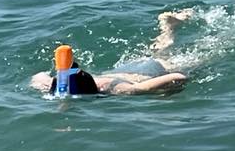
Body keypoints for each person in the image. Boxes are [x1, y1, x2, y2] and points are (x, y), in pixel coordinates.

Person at [30, 9, 196, 97]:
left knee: (165, 59)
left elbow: (177, 76)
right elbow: (38, 77)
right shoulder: (52, 84)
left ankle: (169, 28)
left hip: (151, 69)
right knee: (158, 53)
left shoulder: (120, 90)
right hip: (129, 68)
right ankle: (168, 27)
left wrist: (179, 82)